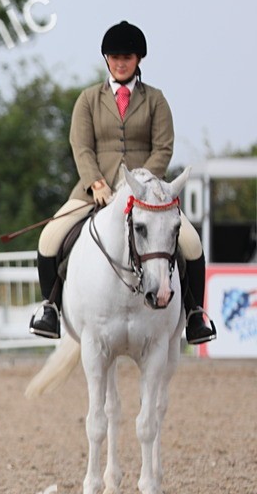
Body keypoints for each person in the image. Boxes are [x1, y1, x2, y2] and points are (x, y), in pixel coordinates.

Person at [30, 21, 216, 344]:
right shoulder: (88, 99)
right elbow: (81, 145)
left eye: (127, 56)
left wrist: (139, 185)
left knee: (191, 243)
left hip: (148, 196)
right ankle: (51, 309)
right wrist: (95, 182)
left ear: (139, 59)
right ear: (106, 59)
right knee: (49, 238)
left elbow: (164, 148)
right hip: (95, 193)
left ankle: (195, 314)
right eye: (114, 56)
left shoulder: (156, 100)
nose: (120, 62)